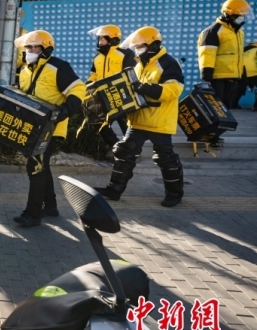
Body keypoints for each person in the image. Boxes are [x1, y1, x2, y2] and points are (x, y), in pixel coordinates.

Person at [95, 26, 185, 208]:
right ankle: (114, 189)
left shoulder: (168, 63)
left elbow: (174, 90)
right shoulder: (139, 64)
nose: (137, 50)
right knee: (124, 153)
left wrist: (145, 88)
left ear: (154, 44)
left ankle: (174, 193)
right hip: (137, 120)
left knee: (165, 157)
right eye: (135, 47)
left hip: (159, 120)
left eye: (140, 46)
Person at [12, 30, 85, 228]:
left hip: (51, 128)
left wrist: (64, 111)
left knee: (34, 168)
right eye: (27, 47)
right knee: (41, 167)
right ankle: (50, 206)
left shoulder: (58, 67)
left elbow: (79, 89)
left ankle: (32, 213)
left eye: (34, 47)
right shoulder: (26, 69)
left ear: (46, 49)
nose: (30, 51)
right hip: (33, 127)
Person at [197, 0, 253, 111]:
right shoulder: (213, 31)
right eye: (240, 15)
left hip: (232, 79)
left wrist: (243, 75)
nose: (243, 18)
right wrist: (206, 78)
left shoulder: (239, 32)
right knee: (214, 110)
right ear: (229, 14)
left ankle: (219, 129)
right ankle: (209, 129)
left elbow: (238, 56)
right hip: (217, 79)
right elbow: (207, 54)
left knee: (225, 111)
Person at [86, 25, 137, 147]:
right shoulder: (97, 57)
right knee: (98, 122)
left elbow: (131, 73)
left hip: (121, 96)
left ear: (113, 39)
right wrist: (88, 85)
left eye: (103, 39)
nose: (100, 41)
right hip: (102, 96)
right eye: (99, 39)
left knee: (126, 124)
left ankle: (131, 150)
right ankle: (115, 146)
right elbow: (93, 75)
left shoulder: (126, 53)